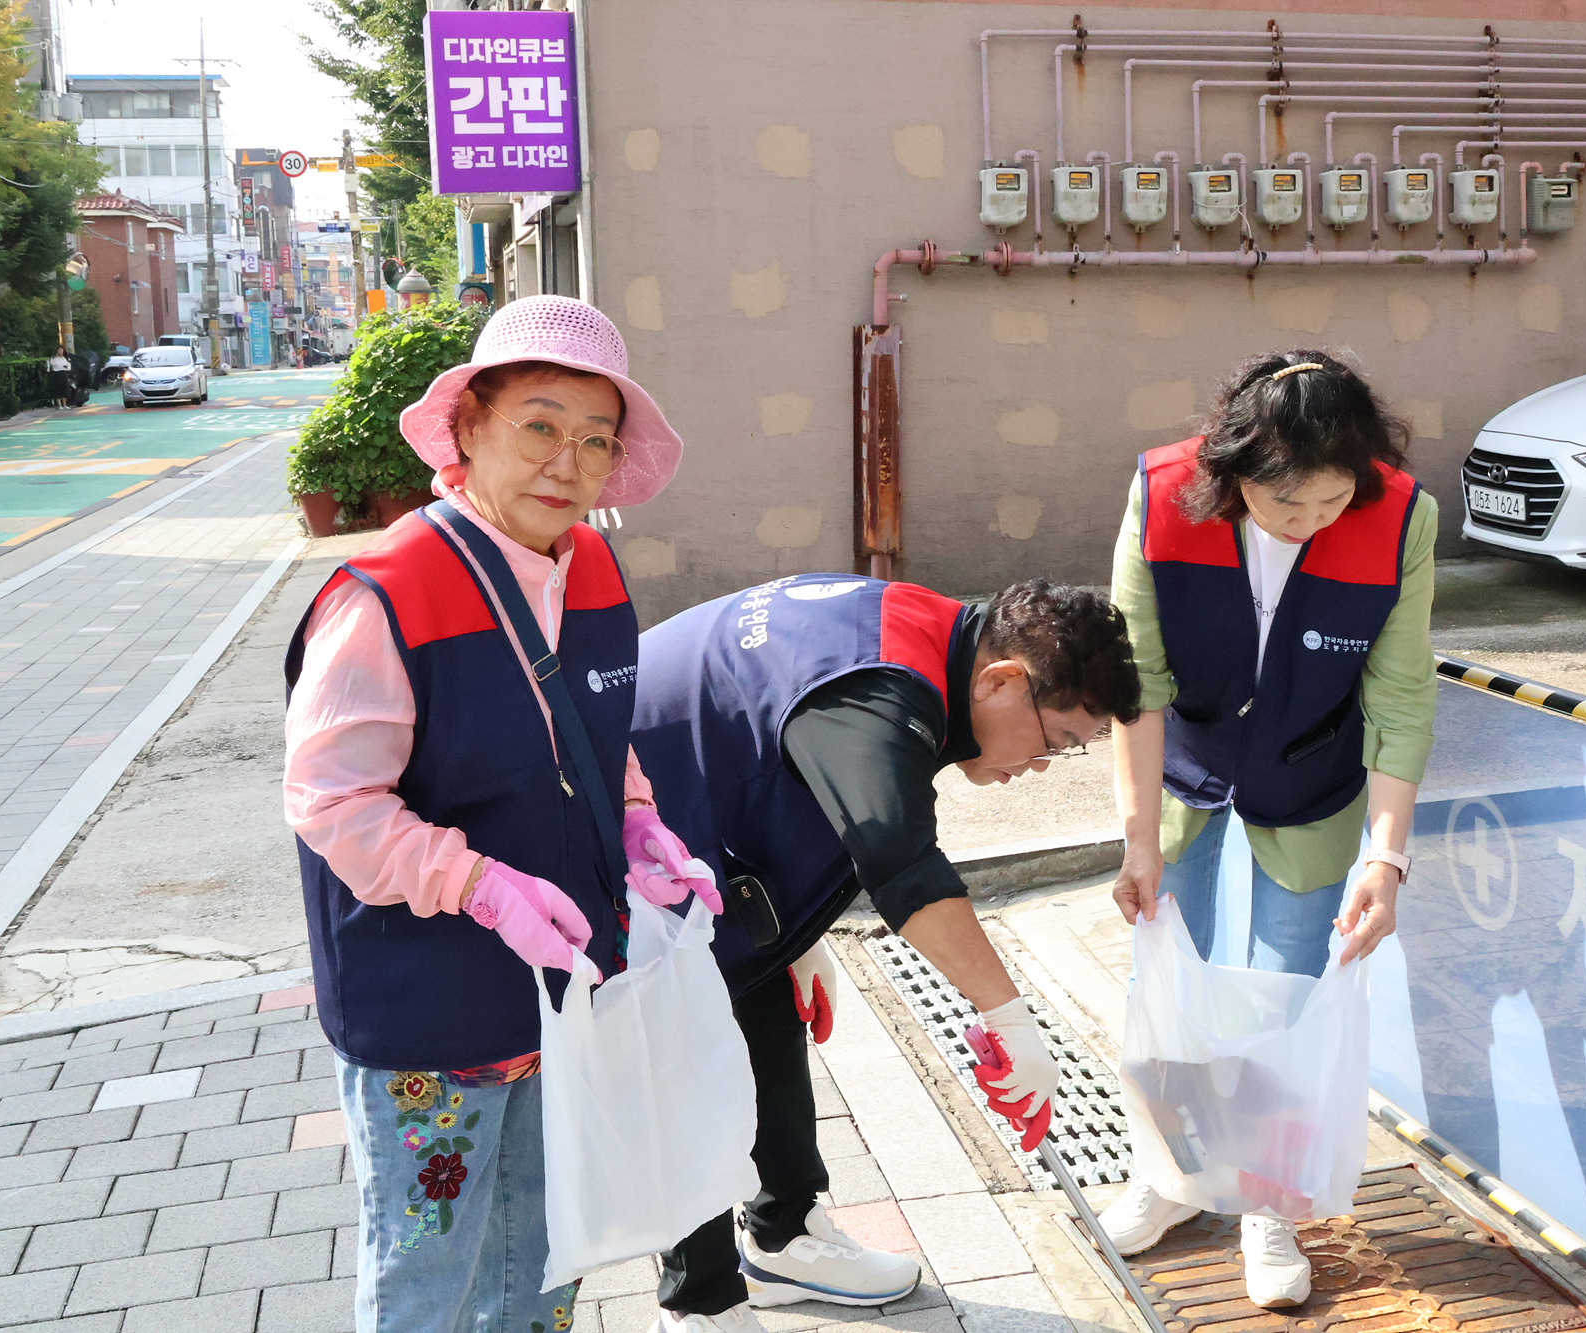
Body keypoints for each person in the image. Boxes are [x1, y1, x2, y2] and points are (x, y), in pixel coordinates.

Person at [284, 295, 704, 1333]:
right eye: (540, 423)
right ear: (468, 427)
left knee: (549, 1253)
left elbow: (599, 737)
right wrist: (479, 883)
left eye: (596, 439)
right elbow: (332, 802)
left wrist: (642, 824)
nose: (568, 460)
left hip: (562, 994)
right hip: (428, 1012)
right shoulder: (386, 587)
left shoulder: (593, 566)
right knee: (434, 1275)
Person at [629, 574, 1144, 1333]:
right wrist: (1009, 1016)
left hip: (709, 843)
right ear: (1003, 680)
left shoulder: (924, 631)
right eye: (1057, 741)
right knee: (695, 1051)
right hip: (630, 843)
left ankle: (784, 1237)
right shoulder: (881, 686)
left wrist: (797, 932)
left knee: (766, 1013)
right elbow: (897, 858)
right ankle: (701, 1302)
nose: (1040, 765)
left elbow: (802, 765)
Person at [1100, 349, 1437, 1307]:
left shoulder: (1402, 515)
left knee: (1290, 985)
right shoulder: (1163, 495)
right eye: (1288, 507)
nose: (1312, 524)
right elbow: (1137, 680)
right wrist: (1136, 837)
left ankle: (1267, 1202)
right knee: (1171, 965)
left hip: (1315, 773)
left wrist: (1387, 854)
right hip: (1187, 763)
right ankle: (1172, 1177)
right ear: (1234, 471)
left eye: (1333, 504)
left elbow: (1402, 698)